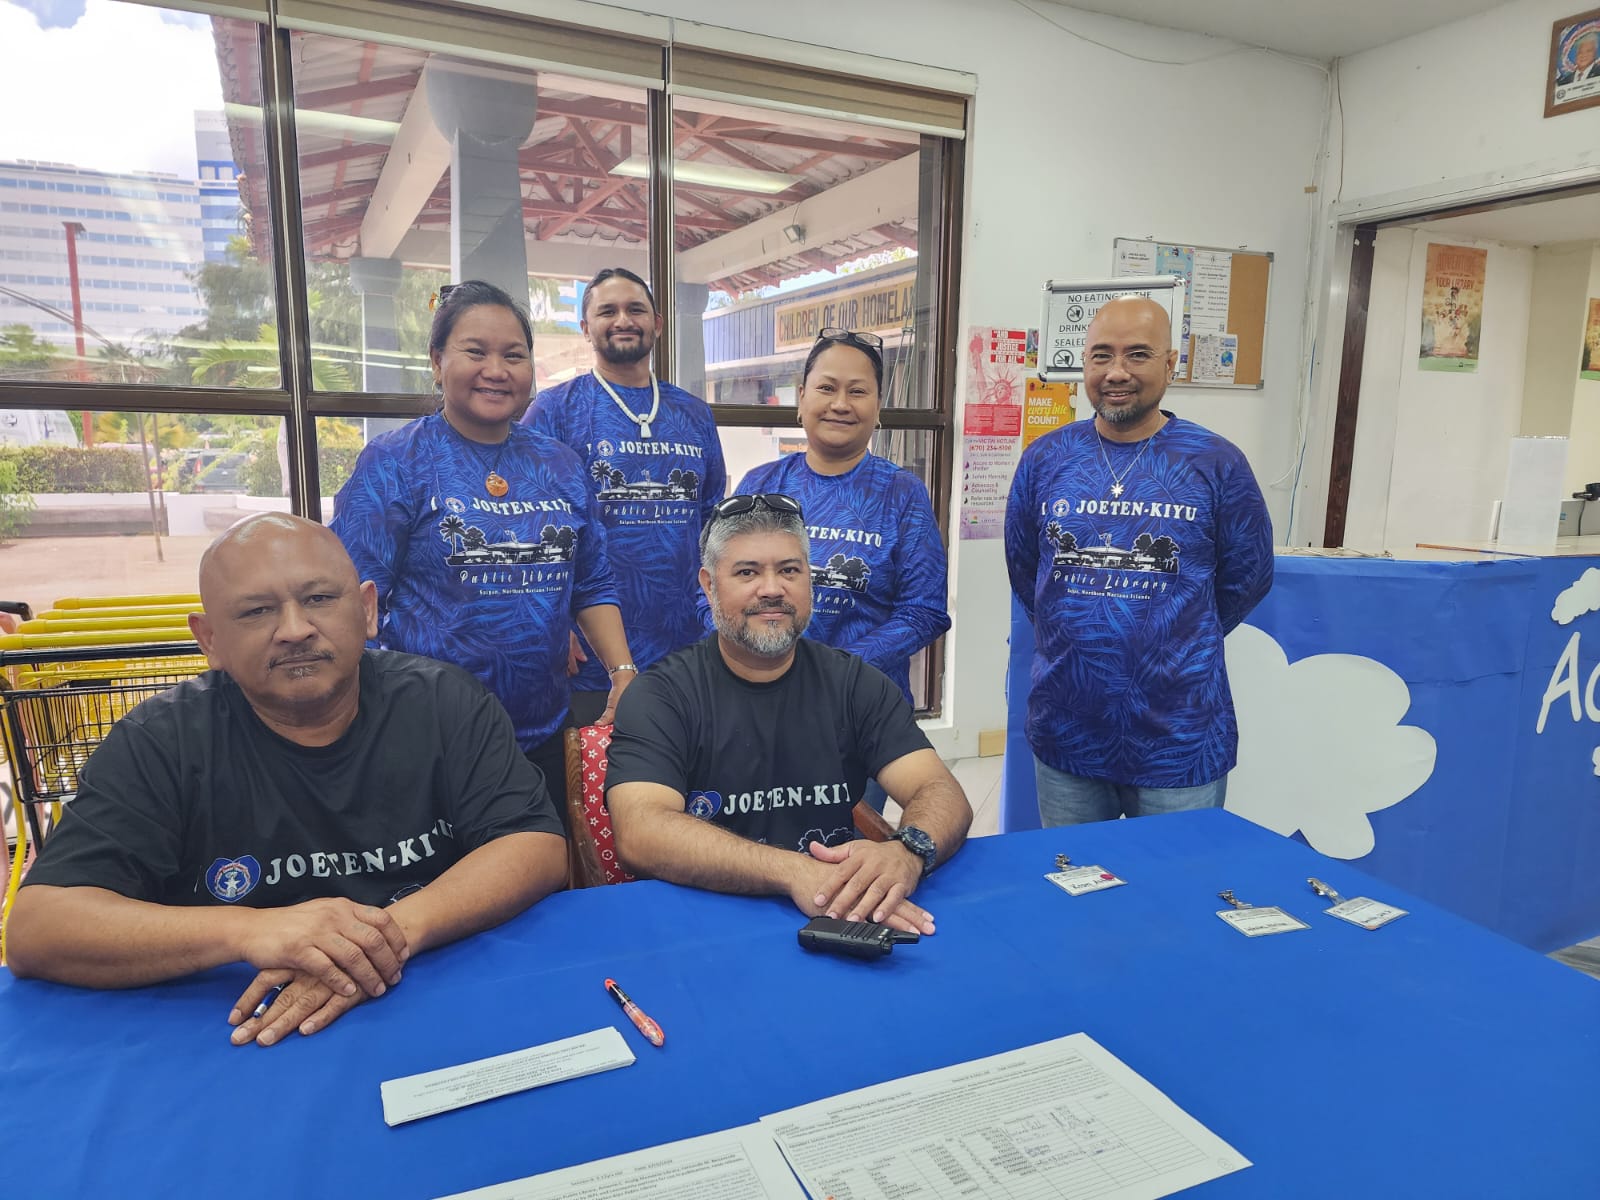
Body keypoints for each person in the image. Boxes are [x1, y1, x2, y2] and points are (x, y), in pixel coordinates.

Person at [5, 514, 567, 1048]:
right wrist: (249, 931)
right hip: (236, 1027)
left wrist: (384, 936)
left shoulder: (445, 702)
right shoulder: (159, 742)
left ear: (368, 610)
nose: (295, 630)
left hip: (437, 999)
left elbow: (533, 844)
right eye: (255, 612)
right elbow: (39, 927)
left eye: (320, 599)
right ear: (209, 640)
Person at [606, 494, 972, 933]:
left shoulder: (855, 683)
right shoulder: (661, 694)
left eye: (789, 570)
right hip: (701, 929)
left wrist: (908, 850)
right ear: (708, 585)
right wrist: (793, 871)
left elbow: (941, 790)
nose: (772, 589)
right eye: (747, 572)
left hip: (834, 920)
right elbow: (641, 830)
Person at [331, 280, 637, 796]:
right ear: (436, 360)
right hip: (428, 740)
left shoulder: (560, 464)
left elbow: (591, 583)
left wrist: (622, 670)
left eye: (514, 355)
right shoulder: (394, 462)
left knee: (548, 869)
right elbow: (351, 601)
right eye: (476, 352)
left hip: (544, 733)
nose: (496, 371)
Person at [1004, 296, 1273, 827]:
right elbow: (1028, 568)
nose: (1116, 373)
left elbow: (1249, 576)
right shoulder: (1046, 459)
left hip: (1179, 732)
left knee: (1173, 897)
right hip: (1069, 725)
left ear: (1171, 364)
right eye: (1101, 355)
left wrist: (1175, 633)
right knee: (1076, 891)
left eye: (1138, 355)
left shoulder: (1215, 461)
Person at [523, 267, 726, 725]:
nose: (622, 320)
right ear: (585, 327)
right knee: (595, 789)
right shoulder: (554, 411)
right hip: (589, 656)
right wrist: (554, 623)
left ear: (656, 322)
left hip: (686, 644)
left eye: (635, 309)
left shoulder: (693, 414)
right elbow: (531, 528)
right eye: (606, 311)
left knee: (682, 784)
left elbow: (713, 518)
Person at [735, 328, 949, 710]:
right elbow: (715, 590)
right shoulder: (760, 484)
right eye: (826, 388)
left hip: (866, 705)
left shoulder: (902, 493)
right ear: (802, 397)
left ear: (878, 405)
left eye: (857, 391)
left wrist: (832, 670)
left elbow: (924, 612)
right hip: (763, 700)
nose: (840, 404)